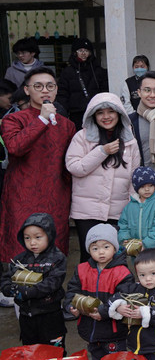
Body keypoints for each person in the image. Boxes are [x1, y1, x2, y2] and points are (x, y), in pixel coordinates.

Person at [0, 68, 76, 284]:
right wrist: (41, 120)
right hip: (22, 195)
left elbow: (69, 164)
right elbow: (15, 147)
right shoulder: (13, 120)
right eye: (38, 86)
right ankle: (22, 309)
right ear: (26, 90)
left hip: (56, 195)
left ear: (56, 90)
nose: (45, 91)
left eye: (50, 86)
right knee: (22, 255)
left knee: (53, 254)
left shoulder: (67, 125)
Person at [65, 93, 140, 264]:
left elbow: (133, 178)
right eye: (100, 113)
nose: (106, 117)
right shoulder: (81, 137)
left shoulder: (130, 141)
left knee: (115, 257)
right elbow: (74, 167)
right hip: (87, 211)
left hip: (118, 210)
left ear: (119, 113)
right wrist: (102, 151)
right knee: (89, 257)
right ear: (93, 115)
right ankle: (88, 290)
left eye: (110, 112)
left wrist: (132, 208)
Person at [63, 223, 133, 360]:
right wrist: (70, 306)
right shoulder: (81, 269)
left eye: (106, 247)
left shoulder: (122, 272)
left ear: (114, 248)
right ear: (89, 250)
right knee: (96, 359)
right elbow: (72, 291)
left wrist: (103, 312)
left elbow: (123, 296)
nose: (101, 252)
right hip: (90, 328)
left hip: (113, 330)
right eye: (95, 248)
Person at [0, 213, 68, 350]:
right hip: (26, 315)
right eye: (27, 238)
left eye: (38, 237)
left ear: (49, 235)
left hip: (50, 315)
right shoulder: (19, 259)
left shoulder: (57, 258)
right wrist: (12, 290)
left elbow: (53, 283)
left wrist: (28, 292)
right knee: (30, 350)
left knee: (54, 351)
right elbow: (5, 280)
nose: (32, 242)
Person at [57, 37, 109, 128]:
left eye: (86, 50)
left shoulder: (98, 70)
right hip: (76, 113)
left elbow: (105, 90)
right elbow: (63, 94)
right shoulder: (68, 72)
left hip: (96, 110)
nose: (83, 53)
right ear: (75, 52)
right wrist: (64, 113)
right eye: (80, 50)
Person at [117, 167, 155, 254]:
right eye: (143, 186)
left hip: (153, 251)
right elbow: (123, 225)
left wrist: (146, 244)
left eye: (150, 186)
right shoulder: (130, 205)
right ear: (136, 187)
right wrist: (125, 240)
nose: (147, 189)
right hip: (133, 251)